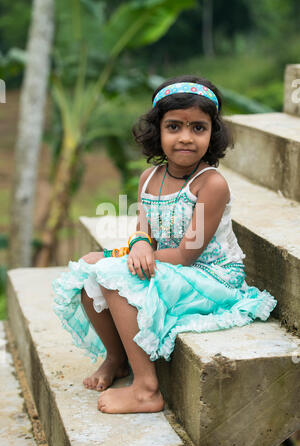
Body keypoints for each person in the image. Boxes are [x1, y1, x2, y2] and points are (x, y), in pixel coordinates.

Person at [52, 75, 277, 414]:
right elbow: (144, 232)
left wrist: (126, 257)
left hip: (210, 278)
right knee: (90, 270)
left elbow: (187, 253)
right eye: (174, 126)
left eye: (198, 128)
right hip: (172, 265)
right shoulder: (150, 178)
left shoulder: (210, 184)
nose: (185, 138)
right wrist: (131, 247)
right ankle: (117, 359)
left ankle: (146, 388)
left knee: (116, 277)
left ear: (211, 134)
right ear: (157, 130)